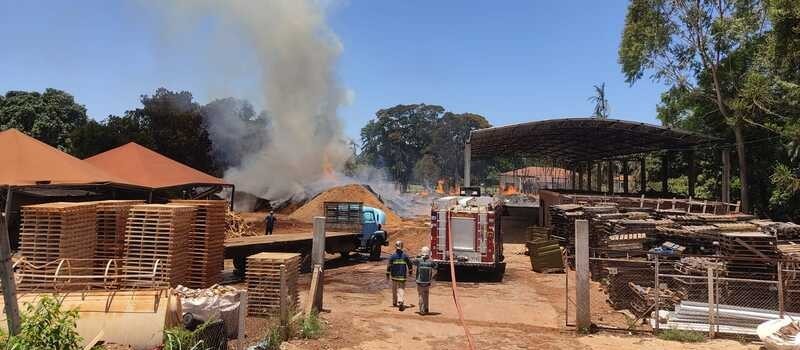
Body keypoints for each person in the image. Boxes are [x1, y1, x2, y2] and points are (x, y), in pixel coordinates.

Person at [386, 240, 412, 311]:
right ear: (402, 246)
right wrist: (410, 272)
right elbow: (410, 264)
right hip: (402, 276)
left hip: (394, 276)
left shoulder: (392, 256)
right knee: (401, 289)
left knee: (394, 290)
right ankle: (400, 301)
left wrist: (387, 274)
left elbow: (389, 266)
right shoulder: (405, 255)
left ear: (395, 246)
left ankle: (394, 302)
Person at [413, 246, 437, 315]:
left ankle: (422, 310)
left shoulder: (419, 261)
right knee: (426, 295)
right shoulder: (430, 261)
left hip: (420, 282)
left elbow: (413, 261)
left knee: (421, 296)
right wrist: (431, 259)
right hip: (427, 282)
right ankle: (426, 308)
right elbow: (436, 266)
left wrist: (418, 256)